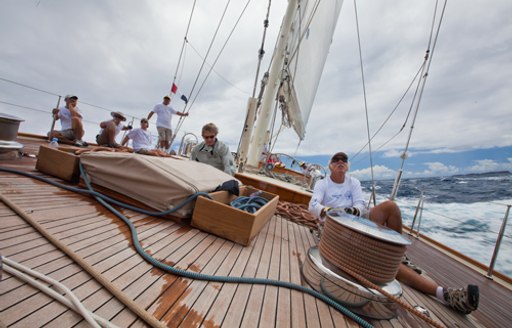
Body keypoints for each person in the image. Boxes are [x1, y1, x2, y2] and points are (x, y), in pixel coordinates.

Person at [308, 151, 480, 315]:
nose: (340, 161)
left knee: (390, 206)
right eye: (336, 159)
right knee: (383, 260)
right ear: (330, 166)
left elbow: (360, 204)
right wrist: (330, 211)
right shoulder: (323, 184)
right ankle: (443, 294)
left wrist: (353, 211)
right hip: (336, 227)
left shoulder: (354, 183)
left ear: (347, 166)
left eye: (343, 159)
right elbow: (313, 205)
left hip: (358, 220)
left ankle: (397, 251)